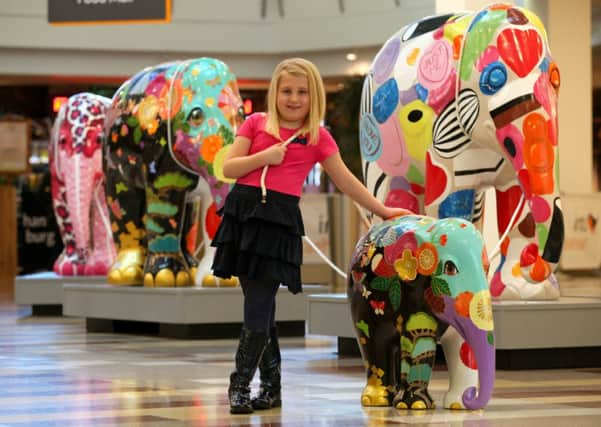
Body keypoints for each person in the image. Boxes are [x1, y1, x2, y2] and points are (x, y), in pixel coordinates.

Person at [211, 57, 411, 414]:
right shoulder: (255, 123)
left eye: (302, 92)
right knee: (262, 306)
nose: (293, 98)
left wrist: (382, 211)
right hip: (243, 216)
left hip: (277, 222)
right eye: (286, 90)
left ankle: (239, 385)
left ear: (313, 95)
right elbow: (228, 167)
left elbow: (346, 179)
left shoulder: (318, 138)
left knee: (258, 304)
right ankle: (271, 387)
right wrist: (265, 156)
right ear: (275, 92)